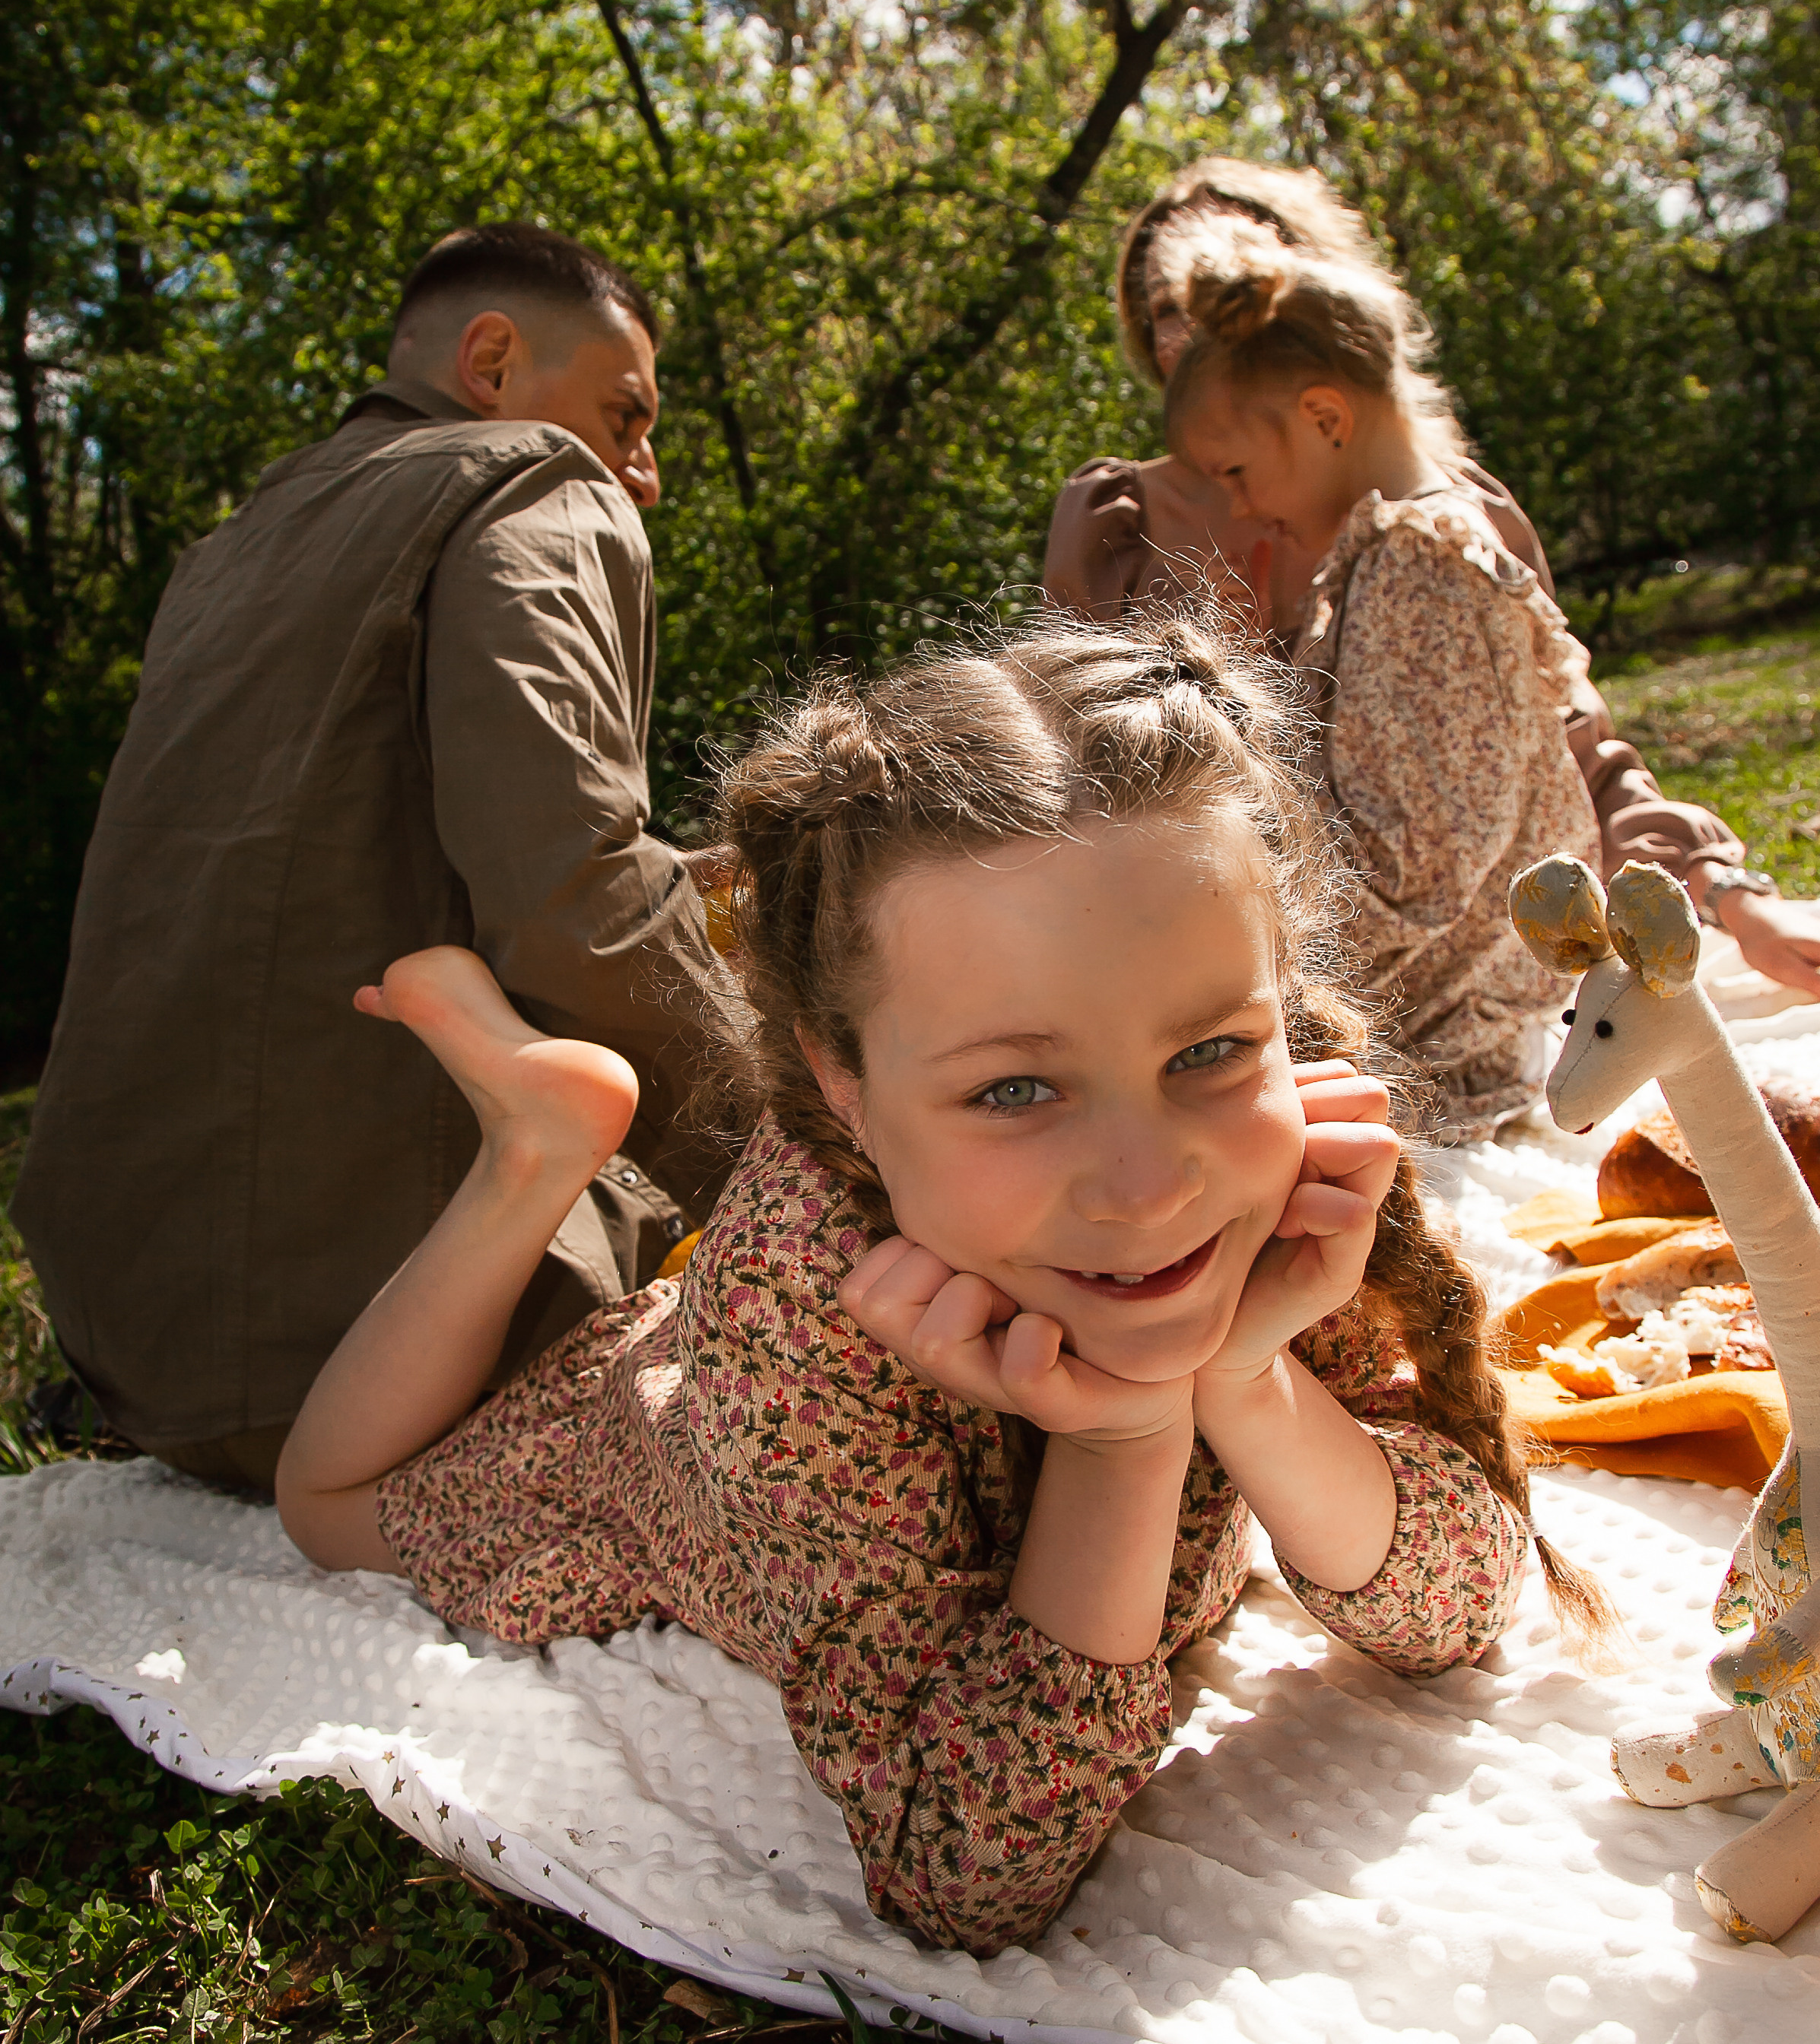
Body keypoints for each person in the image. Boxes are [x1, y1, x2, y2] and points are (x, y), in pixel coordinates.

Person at [274, 611, 1598, 1956]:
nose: (1145, 1186)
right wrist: (1126, 1434)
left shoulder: (1280, 1179)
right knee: (322, 1505)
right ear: (842, 1082)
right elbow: (962, 1867)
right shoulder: (796, 1301)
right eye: (1015, 1087)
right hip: (660, 1443)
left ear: (1278, 1003)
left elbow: (1459, 1603)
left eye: (1208, 1048)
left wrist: (1245, 1380)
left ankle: (556, 1138)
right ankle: (535, 1151)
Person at [14, 222, 742, 1492]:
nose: (644, 470)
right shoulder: (532, 478)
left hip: (143, 1342)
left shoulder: (229, 546)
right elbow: (571, 892)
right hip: (389, 1351)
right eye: (627, 416)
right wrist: (800, 1154)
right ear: (494, 359)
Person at [1045, 154, 1820, 1001]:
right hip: (1209, 968)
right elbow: (1077, 784)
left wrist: (1726, 894)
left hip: (1448, 984)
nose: (1195, 327)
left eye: (1225, 289)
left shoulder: (1437, 524)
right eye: (1167, 308)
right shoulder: (1114, 524)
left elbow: (1566, 744)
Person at [1159, 224, 1603, 1132]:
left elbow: (1418, 871)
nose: (1237, 505)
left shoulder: (1422, 565)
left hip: (1446, 1043)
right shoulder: (1381, 557)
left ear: (1324, 418)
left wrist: (1227, 942)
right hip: (1421, 1016)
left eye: (1235, 471)